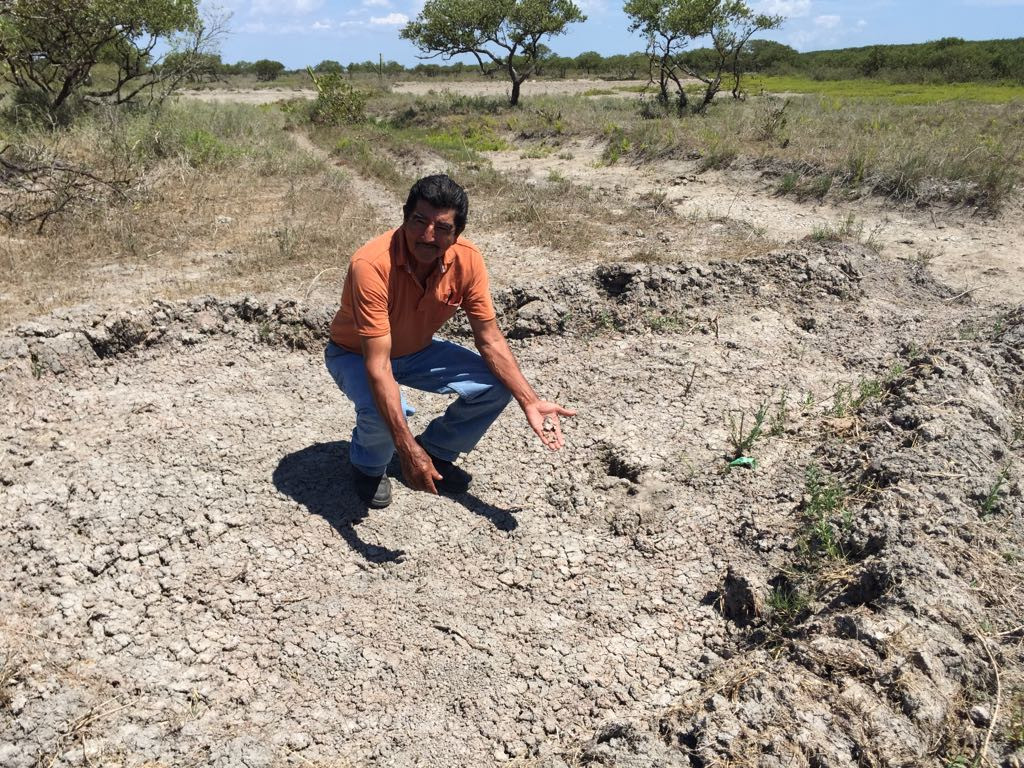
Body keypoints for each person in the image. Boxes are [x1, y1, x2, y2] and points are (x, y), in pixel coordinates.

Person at [325, 174, 575, 508]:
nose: (428, 237)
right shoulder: (371, 265)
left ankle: (436, 451)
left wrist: (529, 400)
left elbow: (490, 340)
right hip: (355, 354)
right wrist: (405, 447)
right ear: (404, 217)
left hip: (416, 350)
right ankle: (369, 467)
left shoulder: (468, 260)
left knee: (497, 384)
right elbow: (378, 365)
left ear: (458, 232)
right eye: (419, 222)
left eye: (442, 228)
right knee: (385, 408)